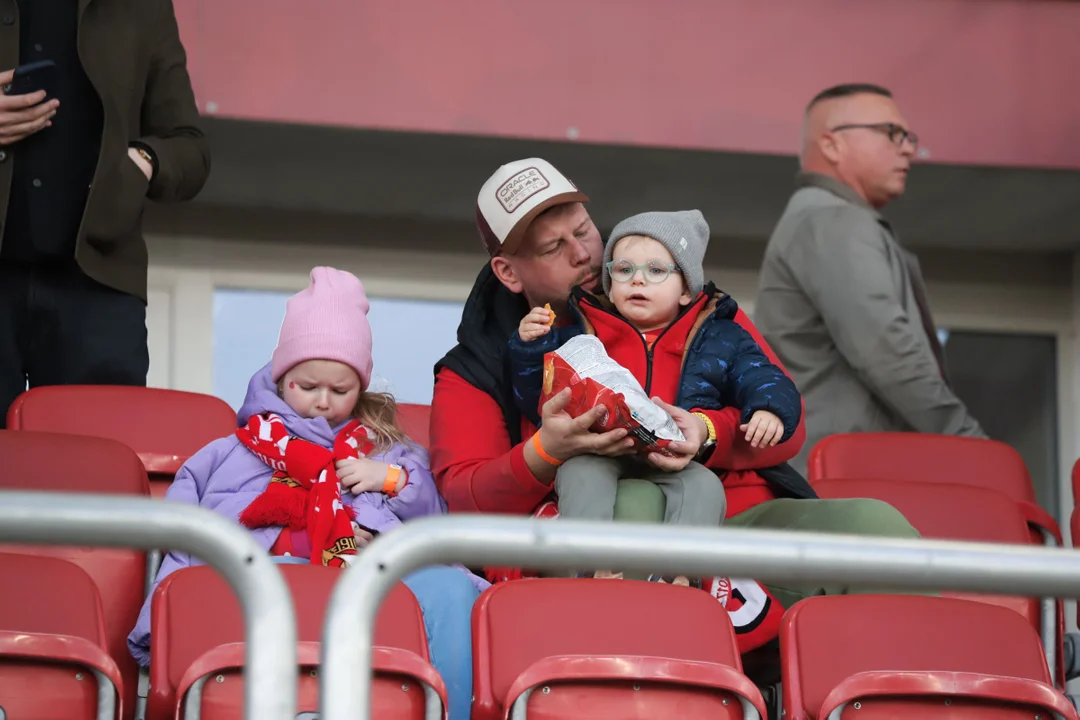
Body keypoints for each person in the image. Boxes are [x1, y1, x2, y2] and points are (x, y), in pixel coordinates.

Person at [431, 157, 921, 661]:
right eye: (554, 247)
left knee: (878, 527)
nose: (583, 254)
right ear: (509, 272)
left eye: (584, 230)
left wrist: (708, 431)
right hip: (597, 532)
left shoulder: (696, 305)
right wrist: (546, 451)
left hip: (736, 524)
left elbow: (787, 424)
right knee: (637, 507)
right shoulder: (480, 362)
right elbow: (462, 498)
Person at [129, 267, 484, 720]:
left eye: (340, 389)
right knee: (276, 584)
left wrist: (389, 480)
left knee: (451, 589)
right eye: (308, 386)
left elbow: (437, 521)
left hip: (374, 576)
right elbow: (188, 531)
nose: (322, 401)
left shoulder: (386, 447)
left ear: (360, 389)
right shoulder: (230, 452)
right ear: (281, 379)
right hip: (272, 575)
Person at [507, 209, 802, 583]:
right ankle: (588, 570)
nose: (638, 281)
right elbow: (538, 392)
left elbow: (762, 376)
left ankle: (681, 577)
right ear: (609, 284)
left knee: (705, 488)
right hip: (600, 449)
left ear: (685, 291)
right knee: (579, 475)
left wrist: (769, 409)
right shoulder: (581, 332)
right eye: (624, 269)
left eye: (656, 271)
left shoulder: (721, 337)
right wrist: (531, 348)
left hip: (674, 455)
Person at [754, 83, 986, 474]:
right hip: (842, 482)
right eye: (892, 133)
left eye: (908, 137)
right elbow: (886, 351)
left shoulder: (825, 218)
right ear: (832, 145)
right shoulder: (833, 219)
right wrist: (970, 444)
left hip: (840, 474)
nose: (908, 148)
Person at [0, 0, 210, 428]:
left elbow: (190, 148)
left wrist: (144, 158)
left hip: (99, 286)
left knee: (93, 475)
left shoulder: (142, 7)